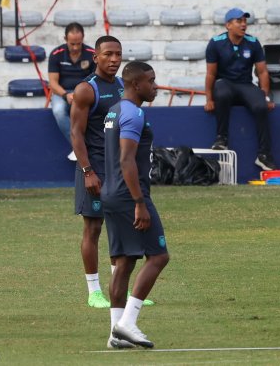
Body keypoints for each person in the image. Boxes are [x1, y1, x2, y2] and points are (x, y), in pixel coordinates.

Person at [103, 61, 171, 349]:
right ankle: (128, 323)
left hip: (111, 193)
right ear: (135, 84)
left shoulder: (115, 110)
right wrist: (139, 203)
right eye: (151, 81)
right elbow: (127, 160)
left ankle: (114, 335)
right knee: (158, 256)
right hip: (129, 195)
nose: (155, 86)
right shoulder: (133, 113)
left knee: (125, 262)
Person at [69, 36, 125, 309]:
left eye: (118, 54)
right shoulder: (86, 90)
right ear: (96, 57)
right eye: (108, 54)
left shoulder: (123, 86)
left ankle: (118, 290)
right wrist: (88, 170)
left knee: (120, 227)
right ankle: (94, 291)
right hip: (94, 168)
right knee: (93, 227)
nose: (114, 59)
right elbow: (76, 134)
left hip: (118, 169)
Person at [205, 8, 275, 171]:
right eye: (239, 21)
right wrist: (209, 99)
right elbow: (210, 74)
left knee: (261, 107)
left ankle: (264, 155)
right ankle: (221, 139)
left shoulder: (253, 42)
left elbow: (262, 71)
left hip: (245, 84)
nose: (243, 24)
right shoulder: (216, 43)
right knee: (221, 91)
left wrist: (266, 97)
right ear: (228, 25)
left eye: (245, 21)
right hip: (225, 83)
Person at [48, 23, 97, 155]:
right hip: (62, 92)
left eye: (78, 43)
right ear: (65, 39)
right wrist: (66, 95)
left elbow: (96, 80)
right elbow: (53, 83)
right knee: (58, 110)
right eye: (72, 44)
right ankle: (78, 146)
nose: (75, 47)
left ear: (83, 38)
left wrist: (82, 94)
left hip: (85, 91)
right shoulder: (56, 54)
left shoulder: (92, 54)